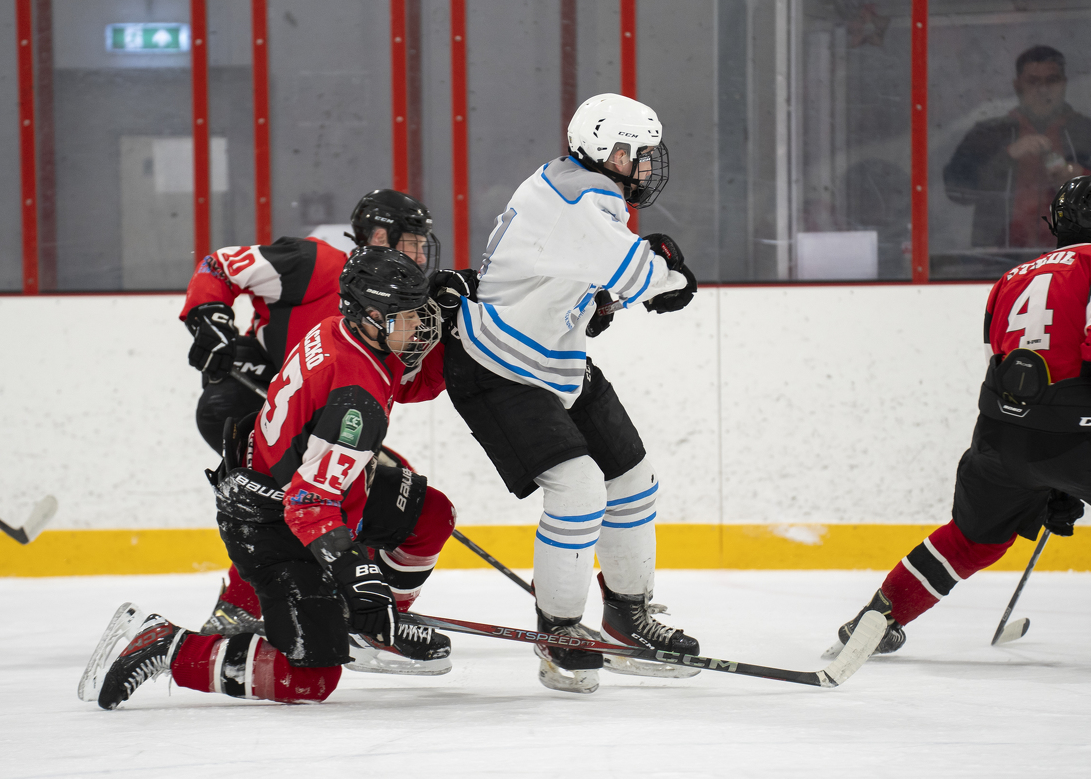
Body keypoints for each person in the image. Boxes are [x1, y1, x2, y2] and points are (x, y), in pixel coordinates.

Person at [831, 174, 1091, 663]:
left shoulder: (1012, 277)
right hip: (1075, 437)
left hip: (998, 438)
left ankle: (877, 619)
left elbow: (1001, 360)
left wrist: (1053, 478)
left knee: (973, 538)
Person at [84, 248, 457, 708]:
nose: (420, 327)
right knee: (309, 681)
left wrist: (460, 342)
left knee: (431, 514)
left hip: (302, 492)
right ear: (372, 316)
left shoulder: (340, 332)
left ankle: (373, 627)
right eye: (409, 317)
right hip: (275, 528)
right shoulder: (355, 402)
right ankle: (167, 645)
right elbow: (308, 505)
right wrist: (354, 573)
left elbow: (408, 381)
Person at [433, 93, 700, 694]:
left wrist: (600, 299)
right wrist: (671, 275)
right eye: (637, 153)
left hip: (555, 360)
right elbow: (639, 275)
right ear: (606, 149)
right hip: (498, 363)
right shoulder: (583, 195)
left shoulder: (576, 185)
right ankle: (559, 635)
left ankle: (627, 620)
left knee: (633, 480)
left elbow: (588, 275)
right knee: (578, 489)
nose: (645, 165)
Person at [179, 190, 438, 647]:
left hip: (310, 408)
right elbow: (220, 265)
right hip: (245, 399)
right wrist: (209, 316)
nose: (421, 254)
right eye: (413, 241)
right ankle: (247, 606)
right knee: (306, 503)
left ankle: (355, 605)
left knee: (381, 485)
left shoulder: (394, 301)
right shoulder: (315, 262)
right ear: (381, 236)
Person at [945, 45, 1091, 253]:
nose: (1043, 90)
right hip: (1000, 260)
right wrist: (1006, 156)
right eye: (1033, 82)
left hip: (1078, 258)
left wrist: (1085, 178)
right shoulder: (988, 134)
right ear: (1017, 86)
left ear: (1064, 84)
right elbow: (956, 190)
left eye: (1052, 80)